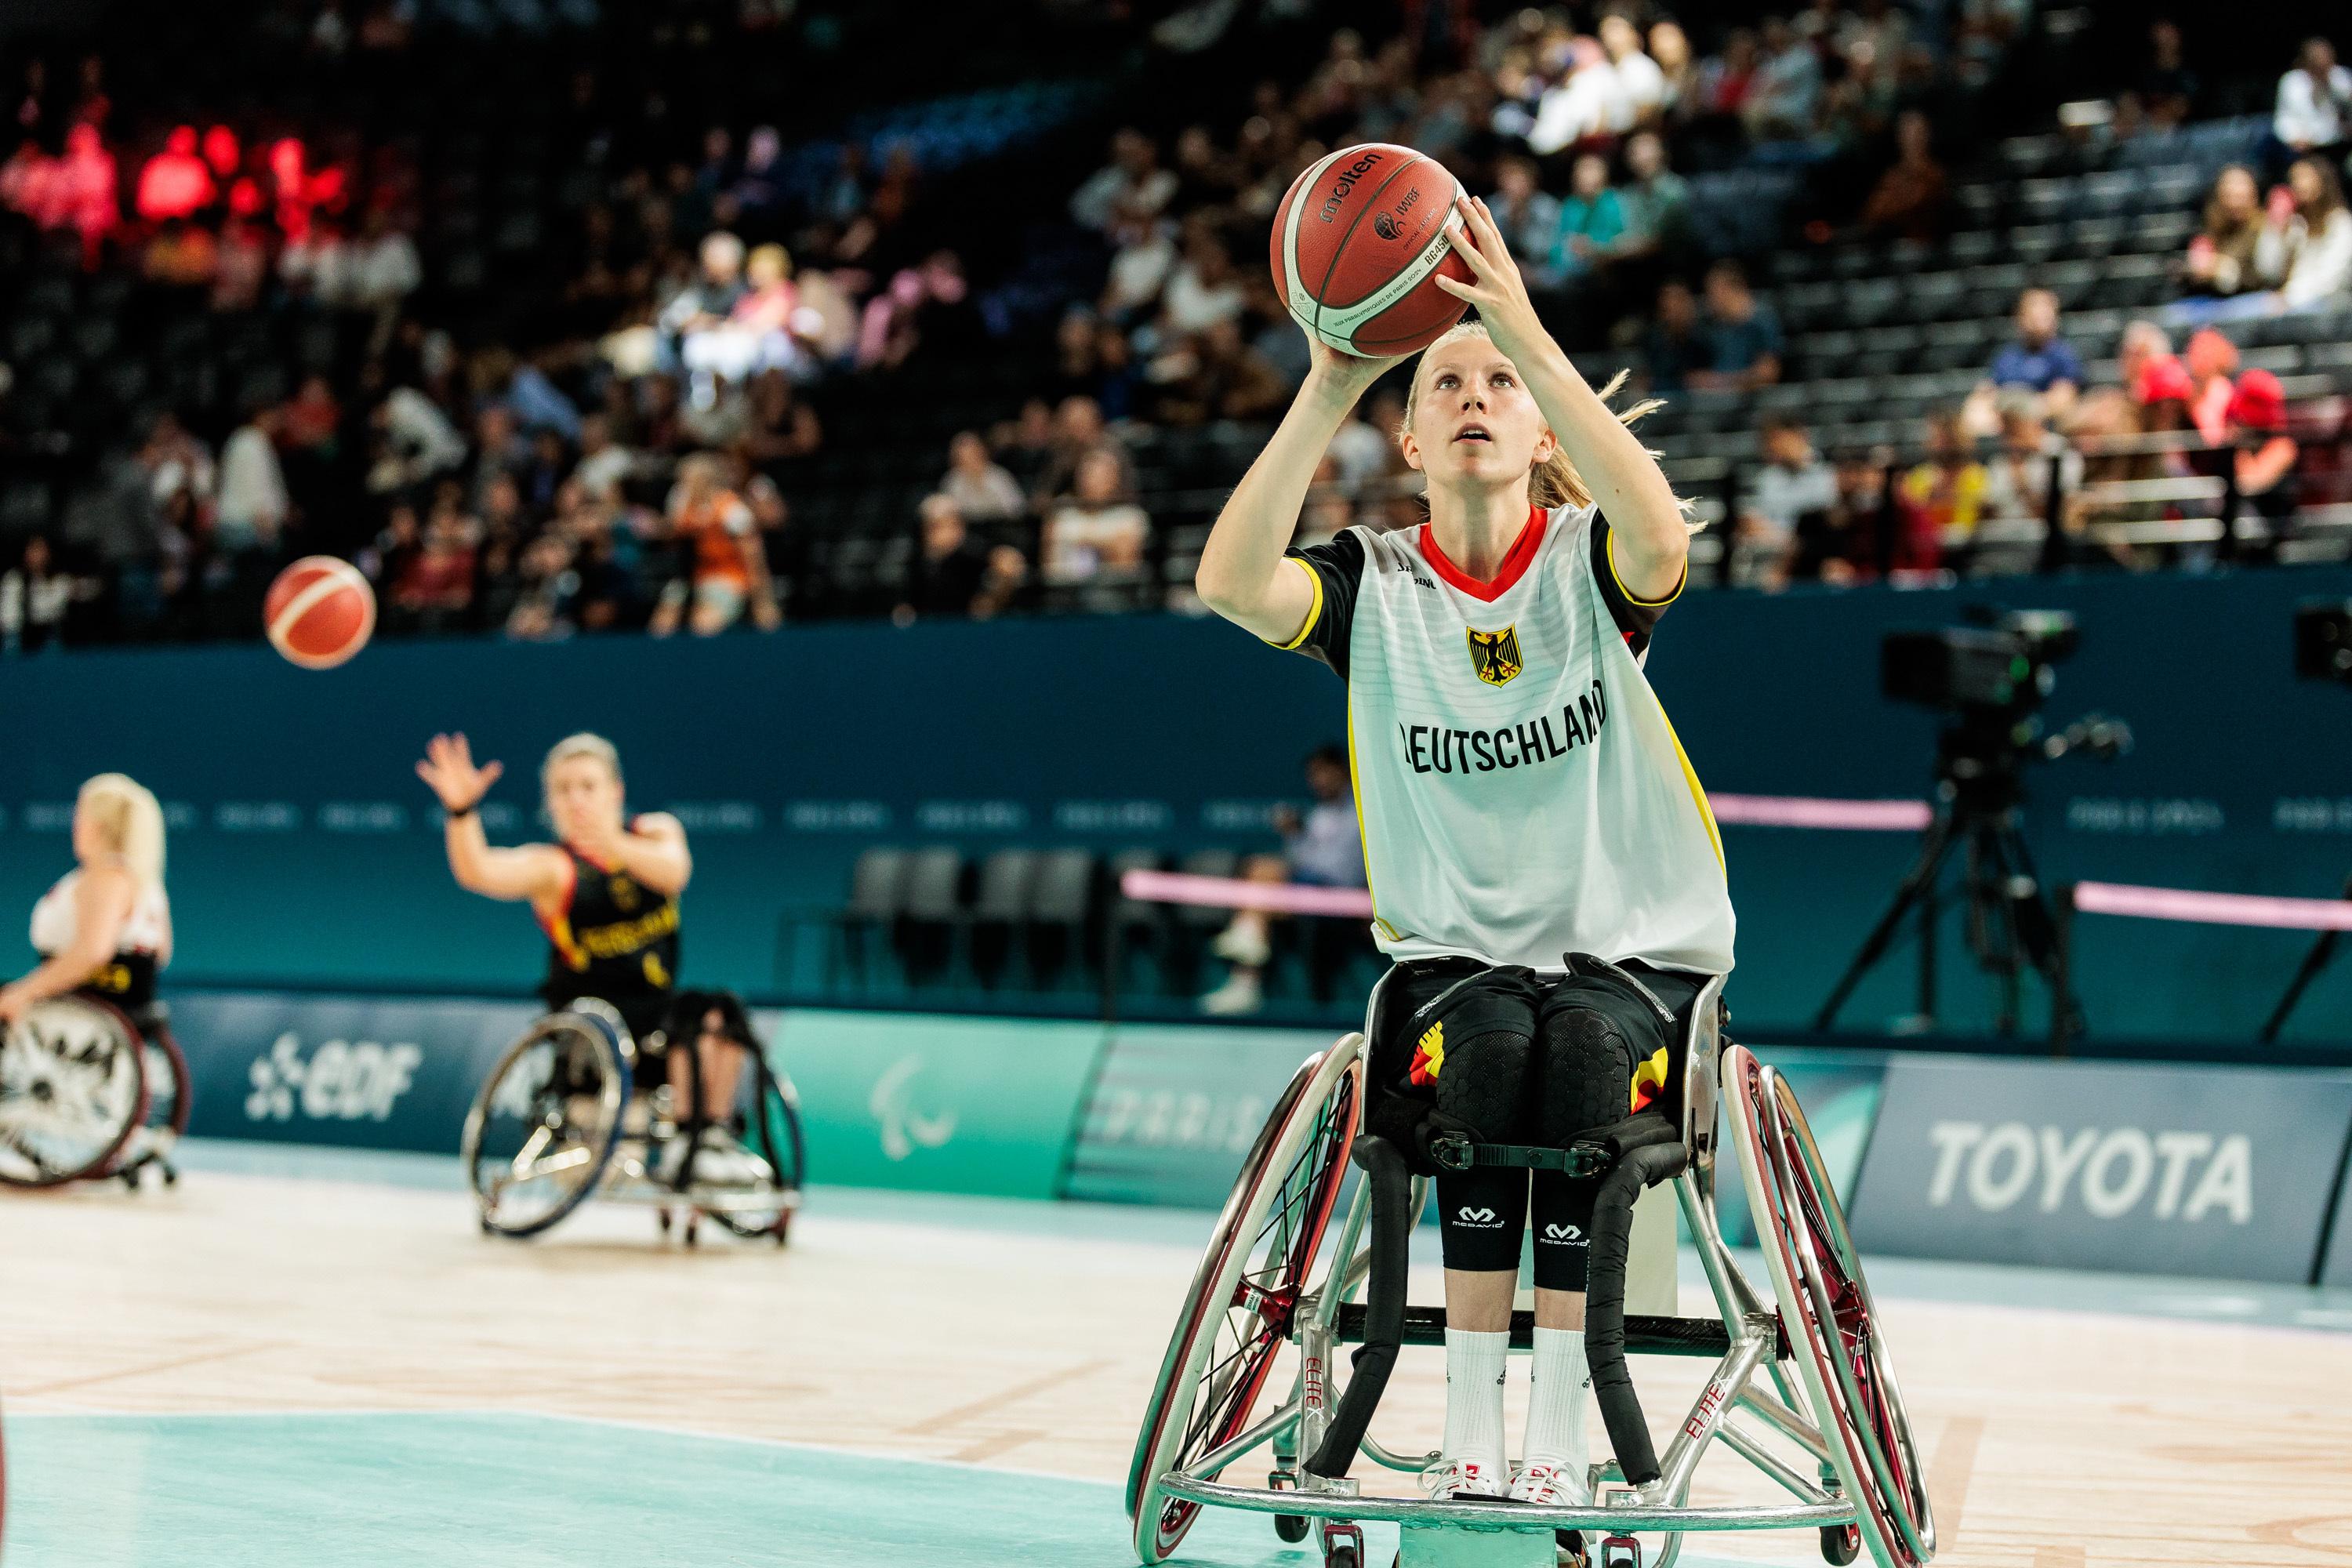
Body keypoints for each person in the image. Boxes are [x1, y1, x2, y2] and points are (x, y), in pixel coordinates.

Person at [1194, 194, 1730, 1507]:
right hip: (1452, 962)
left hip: (1631, 955)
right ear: (1412, 436)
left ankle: (1560, 1422)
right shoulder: (1371, 583)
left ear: (1545, 432)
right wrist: (1328, 384)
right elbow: (1229, 584)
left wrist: (1526, 332)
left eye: (1500, 385)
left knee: (1581, 1050)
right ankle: (1471, 1420)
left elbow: (1664, 538)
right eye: (1447, 382)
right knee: (1489, 1051)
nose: (1476, 396)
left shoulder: (1586, 560)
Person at [412, 732, 760, 1182]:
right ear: (550, 803)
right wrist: (462, 812)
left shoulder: (657, 833)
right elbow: (478, 871)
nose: (576, 799)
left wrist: (611, 843)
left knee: (718, 1011)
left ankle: (704, 1139)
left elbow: (675, 872)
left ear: (616, 791)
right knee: (628, 1024)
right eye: (563, 789)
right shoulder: (554, 868)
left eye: (588, 786)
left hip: (657, 1014)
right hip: (588, 1022)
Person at [1200, 745, 1367, 1017]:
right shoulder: (1321, 814)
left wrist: (1297, 843)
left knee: (1265, 871)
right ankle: (1247, 973)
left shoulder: (1358, 813)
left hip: (1340, 898)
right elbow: (1305, 859)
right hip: (1308, 893)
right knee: (1263, 877)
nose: (1318, 781)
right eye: (1313, 775)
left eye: (1324, 773)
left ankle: (1246, 946)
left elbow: (1341, 871)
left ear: (1342, 772)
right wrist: (1294, 837)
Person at [0, 775, 172, 1032]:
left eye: (78, 815)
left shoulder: (105, 878)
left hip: (87, 1020)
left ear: (96, 824)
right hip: (122, 1015)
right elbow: (160, 954)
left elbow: (93, 952)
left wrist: (23, 994)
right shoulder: (145, 881)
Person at [1985, 288, 2083, 419]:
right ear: (2020, 317)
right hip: (2007, 420)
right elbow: (1989, 393)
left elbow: (2064, 398)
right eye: (2033, 313)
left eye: (2044, 314)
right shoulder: (2007, 357)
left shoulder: (2064, 355)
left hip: (2045, 422)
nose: (2038, 321)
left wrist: (2027, 407)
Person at [2183, 166, 2266, 299]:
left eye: (2240, 197)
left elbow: (2260, 277)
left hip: (2252, 298)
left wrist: (2220, 268)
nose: (2234, 204)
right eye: (2229, 196)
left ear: (2254, 197)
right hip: (2212, 299)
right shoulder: (2213, 226)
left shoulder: (2264, 229)